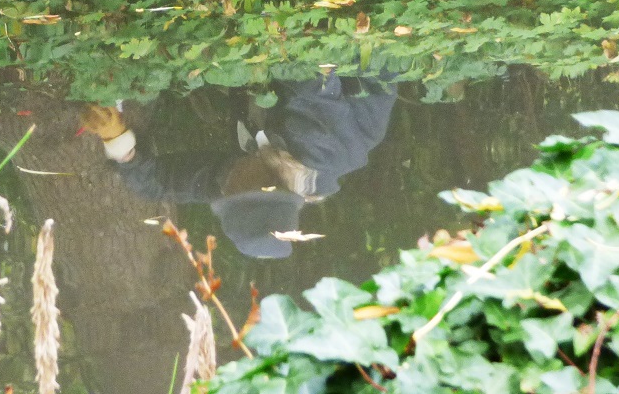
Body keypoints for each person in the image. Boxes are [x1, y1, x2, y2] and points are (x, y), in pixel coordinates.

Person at [80, 73, 397, 259]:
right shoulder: (320, 147)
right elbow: (308, 67)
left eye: (225, 196)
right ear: (273, 188)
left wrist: (118, 141)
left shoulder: (241, 180)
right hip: (358, 49)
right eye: (235, 191)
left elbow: (155, 185)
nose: (224, 180)